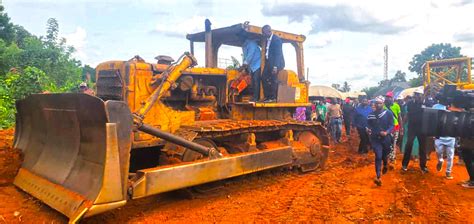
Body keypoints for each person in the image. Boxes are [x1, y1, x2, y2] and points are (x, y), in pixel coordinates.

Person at [367, 96, 394, 186]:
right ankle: (378, 177)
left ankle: (385, 164)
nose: (378, 105)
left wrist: (387, 132)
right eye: (376, 103)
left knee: (384, 155)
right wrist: (368, 129)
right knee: (378, 156)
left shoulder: (388, 113)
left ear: (383, 104)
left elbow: (392, 125)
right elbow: (368, 125)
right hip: (375, 138)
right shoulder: (371, 115)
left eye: (380, 103)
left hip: (386, 138)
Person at [402, 90, 428, 173]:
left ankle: (423, 166)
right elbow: (408, 114)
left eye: (419, 95)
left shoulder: (425, 103)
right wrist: (402, 126)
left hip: (422, 128)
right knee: (409, 144)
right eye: (416, 94)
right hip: (412, 127)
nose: (417, 96)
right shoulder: (410, 104)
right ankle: (404, 165)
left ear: (421, 95)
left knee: (423, 148)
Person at [432, 100, 456, 179]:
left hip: (451, 137)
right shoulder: (437, 109)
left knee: (450, 156)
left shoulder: (454, 112)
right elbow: (433, 123)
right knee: (438, 152)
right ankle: (440, 160)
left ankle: (448, 172)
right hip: (440, 137)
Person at [261, 25, 285, 103]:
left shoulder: (276, 40)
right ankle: (267, 97)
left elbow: (278, 54)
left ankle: (273, 97)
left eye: (264, 33)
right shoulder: (268, 40)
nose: (263, 35)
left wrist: (275, 67)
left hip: (276, 63)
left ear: (269, 31)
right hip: (269, 62)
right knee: (263, 77)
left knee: (273, 79)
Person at [240, 34, 262, 102]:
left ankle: (256, 98)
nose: (239, 40)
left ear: (244, 37)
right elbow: (245, 56)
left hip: (257, 64)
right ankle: (253, 96)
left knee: (256, 81)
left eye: (240, 38)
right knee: (252, 82)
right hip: (252, 66)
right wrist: (243, 65)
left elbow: (250, 55)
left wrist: (244, 64)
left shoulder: (252, 44)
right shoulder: (244, 45)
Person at [384, 91, 403, 167]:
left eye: (389, 97)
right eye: (387, 97)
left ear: (392, 98)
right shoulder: (383, 106)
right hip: (386, 128)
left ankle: (392, 159)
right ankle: (387, 157)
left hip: (395, 127)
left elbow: (399, 117)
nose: (387, 98)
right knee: (386, 143)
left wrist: (401, 128)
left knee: (393, 143)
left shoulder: (396, 106)